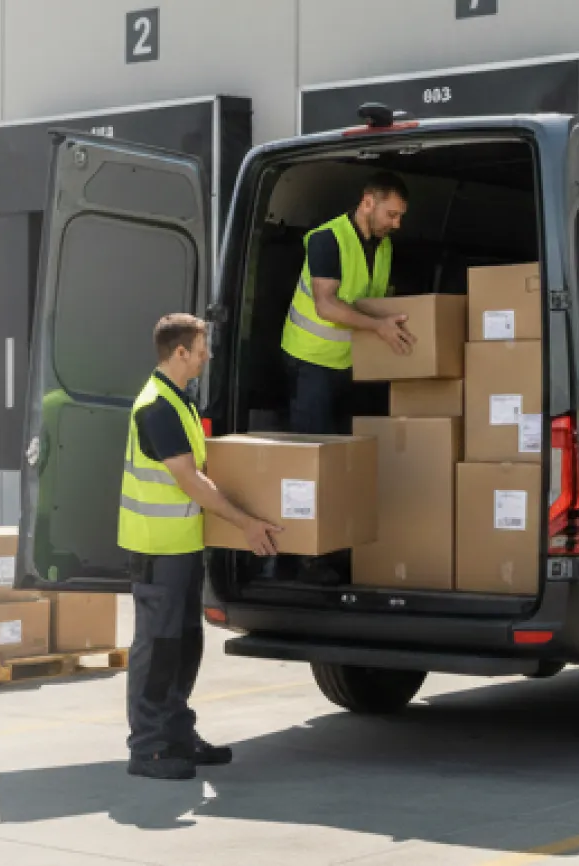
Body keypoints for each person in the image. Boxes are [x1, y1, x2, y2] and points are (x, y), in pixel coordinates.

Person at [121, 313, 283, 781]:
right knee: (158, 647)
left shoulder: (181, 400)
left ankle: (177, 733)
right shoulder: (157, 407)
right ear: (180, 353)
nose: (208, 355)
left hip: (183, 544)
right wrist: (247, 524)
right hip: (157, 547)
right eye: (202, 347)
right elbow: (191, 481)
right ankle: (149, 748)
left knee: (185, 643)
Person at [274, 172, 412, 585]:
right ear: (367, 202)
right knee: (312, 464)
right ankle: (303, 560)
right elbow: (327, 305)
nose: (397, 224)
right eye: (392, 214)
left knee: (339, 464)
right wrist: (380, 328)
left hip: (345, 366)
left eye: (401, 216)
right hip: (309, 362)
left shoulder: (383, 246)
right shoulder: (326, 239)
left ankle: (332, 549)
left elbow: (374, 302)